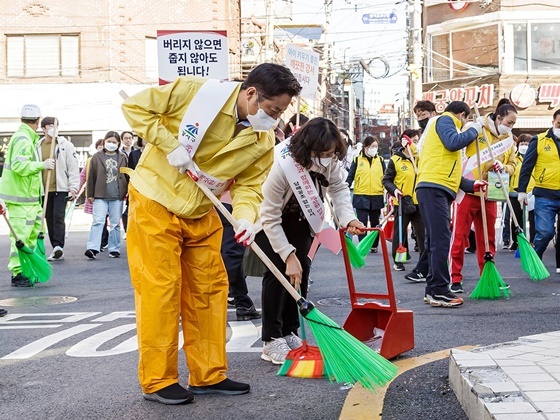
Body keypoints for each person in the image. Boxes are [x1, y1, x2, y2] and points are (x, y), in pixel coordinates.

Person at [121, 63, 301, 404]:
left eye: (280, 112)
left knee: (209, 292)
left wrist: (247, 218)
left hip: (203, 211)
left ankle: (208, 374)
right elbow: (135, 106)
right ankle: (158, 380)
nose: (275, 118)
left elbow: (250, 186)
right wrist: (169, 144)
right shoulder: (196, 93)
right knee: (161, 292)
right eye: (273, 109)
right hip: (155, 199)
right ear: (251, 94)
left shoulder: (262, 140)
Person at [256, 117, 364, 364]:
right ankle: (271, 340)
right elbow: (269, 216)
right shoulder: (282, 166)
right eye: (323, 153)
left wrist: (348, 219)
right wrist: (287, 254)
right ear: (308, 149)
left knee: (300, 273)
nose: (327, 157)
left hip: (303, 222)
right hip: (270, 222)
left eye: (332, 152)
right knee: (279, 274)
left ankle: (289, 331)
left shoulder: (330, 161)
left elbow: (338, 188)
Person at [416, 101, 484, 307]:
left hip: (435, 187)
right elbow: (453, 142)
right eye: (466, 120)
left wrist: (472, 185)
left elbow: (452, 170)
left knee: (434, 241)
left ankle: (432, 290)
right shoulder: (446, 120)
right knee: (440, 240)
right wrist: (474, 129)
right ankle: (440, 290)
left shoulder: (438, 125)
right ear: (462, 115)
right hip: (434, 187)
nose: (465, 124)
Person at [449, 99, 517, 293]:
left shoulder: (508, 141)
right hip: (469, 190)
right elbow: (459, 148)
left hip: (491, 192)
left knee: (488, 239)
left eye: (513, 124)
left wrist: (504, 167)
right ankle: (455, 277)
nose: (510, 127)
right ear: (498, 118)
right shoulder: (476, 127)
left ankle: (487, 275)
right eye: (509, 123)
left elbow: (513, 165)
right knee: (460, 236)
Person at [0, 104, 55, 287]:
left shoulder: (28, 138)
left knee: (30, 237)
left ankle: (27, 269)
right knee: (21, 238)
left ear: (21, 119)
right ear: (38, 122)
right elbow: (19, 167)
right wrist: (42, 165)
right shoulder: (23, 139)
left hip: (29, 200)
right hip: (21, 201)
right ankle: (18, 273)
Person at [518, 108, 560, 260]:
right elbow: (527, 166)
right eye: (559, 124)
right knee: (545, 232)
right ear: (553, 123)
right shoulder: (539, 140)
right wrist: (522, 190)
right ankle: (535, 259)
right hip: (545, 195)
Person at [37, 117, 80, 261]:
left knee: (58, 217)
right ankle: (55, 246)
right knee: (48, 218)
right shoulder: (37, 146)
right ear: (43, 129)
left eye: (55, 126)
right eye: (49, 126)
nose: (53, 128)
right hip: (44, 189)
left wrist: (73, 187)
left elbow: (73, 167)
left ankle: (58, 247)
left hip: (60, 188)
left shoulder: (65, 145)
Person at [383, 134, 424, 271]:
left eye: (417, 141)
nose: (416, 144)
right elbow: (386, 180)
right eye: (414, 141)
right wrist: (394, 190)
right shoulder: (395, 160)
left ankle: (424, 263)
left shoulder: (420, 159)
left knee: (422, 233)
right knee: (400, 233)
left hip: (419, 201)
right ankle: (398, 260)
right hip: (401, 200)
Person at [85, 131, 128, 259]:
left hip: (117, 196)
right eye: (109, 141)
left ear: (118, 143)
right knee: (98, 221)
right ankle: (93, 248)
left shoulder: (122, 157)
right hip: (100, 195)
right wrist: (90, 194)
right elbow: (91, 176)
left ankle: (114, 249)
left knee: (115, 223)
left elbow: (126, 175)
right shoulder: (97, 157)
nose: (111, 144)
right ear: (104, 142)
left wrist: (127, 192)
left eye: (114, 142)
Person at [346, 136, 386, 253]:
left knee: (375, 223)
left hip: (376, 194)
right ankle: (363, 245)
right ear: (365, 147)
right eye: (371, 146)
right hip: (361, 195)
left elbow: (386, 177)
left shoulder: (381, 160)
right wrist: (345, 186)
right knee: (361, 222)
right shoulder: (357, 160)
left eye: (376, 146)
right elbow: (350, 176)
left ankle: (374, 245)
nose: (374, 149)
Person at [508, 133, 535, 252]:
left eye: (526, 143)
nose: (524, 145)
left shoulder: (535, 156)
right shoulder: (514, 157)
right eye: (522, 143)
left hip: (532, 192)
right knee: (516, 219)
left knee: (533, 219)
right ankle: (517, 241)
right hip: (515, 191)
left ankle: (533, 241)